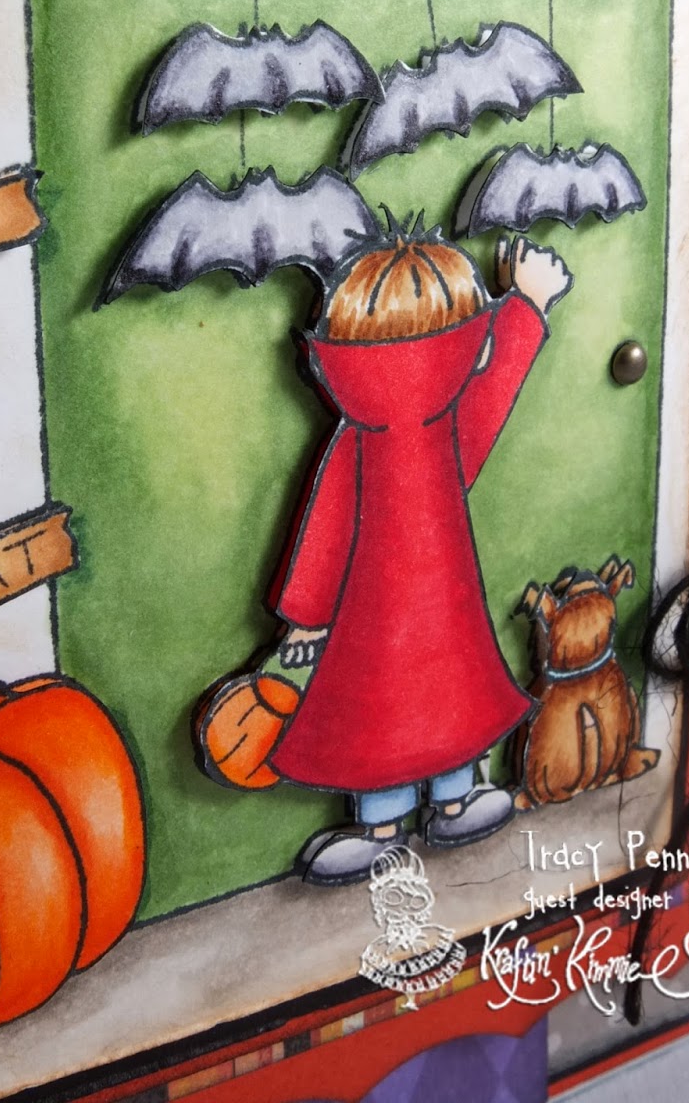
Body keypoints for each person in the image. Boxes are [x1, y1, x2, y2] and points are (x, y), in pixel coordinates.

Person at [267, 223, 572, 883]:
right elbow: (330, 524)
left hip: (431, 614)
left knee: (431, 697)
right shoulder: (401, 435)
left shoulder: (397, 432)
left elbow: (324, 529)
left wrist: (308, 616)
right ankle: (403, 817)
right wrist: (524, 306)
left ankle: (436, 806)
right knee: (392, 707)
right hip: (393, 618)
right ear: (467, 346)